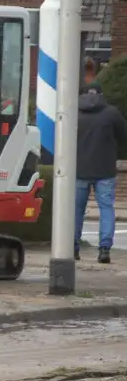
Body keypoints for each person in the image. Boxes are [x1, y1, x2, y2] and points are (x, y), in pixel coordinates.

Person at [75, 81, 127, 264]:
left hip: (78, 169)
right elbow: (123, 136)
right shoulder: (111, 113)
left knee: (76, 210)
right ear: (101, 94)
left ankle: (72, 247)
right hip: (105, 169)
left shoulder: (73, 112)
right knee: (106, 209)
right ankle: (104, 249)